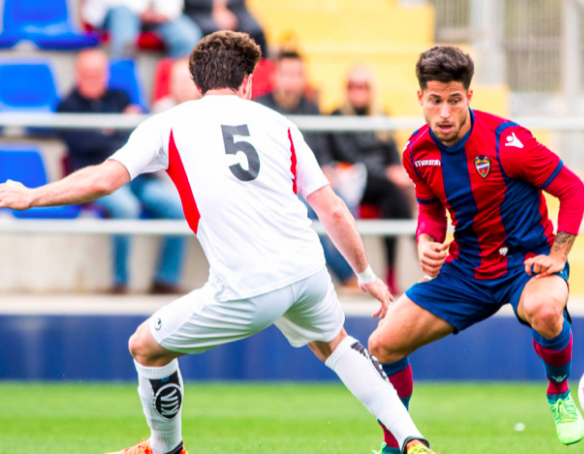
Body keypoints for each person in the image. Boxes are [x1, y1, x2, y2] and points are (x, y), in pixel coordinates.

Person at [0, 32, 438, 454]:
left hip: (246, 287)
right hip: (307, 271)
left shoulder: (169, 124)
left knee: (145, 347)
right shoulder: (279, 125)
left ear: (195, 83)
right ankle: (412, 438)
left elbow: (101, 180)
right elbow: (334, 210)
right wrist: (364, 274)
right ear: (248, 82)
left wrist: (32, 196)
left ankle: (166, 448)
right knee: (337, 345)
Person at [367, 46, 584, 454]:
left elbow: (573, 189)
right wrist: (425, 241)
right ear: (421, 99)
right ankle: (395, 443)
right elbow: (431, 210)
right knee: (382, 344)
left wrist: (558, 256)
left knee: (546, 311)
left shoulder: (510, 142)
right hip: (466, 270)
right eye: (435, 101)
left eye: (454, 100)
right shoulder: (417, 152)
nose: (445, 113)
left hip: (528, 264)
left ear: (469, 97)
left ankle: (558, 393)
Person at [57, 49, 187, 294]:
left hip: (136, 176)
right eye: (88, 74)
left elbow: (139, 138)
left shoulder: (120, 96)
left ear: (106, 74)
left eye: (98, 73)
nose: (93, 79)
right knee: (126, 208)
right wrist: (119, 133)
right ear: (77, 74)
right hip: (98, 179)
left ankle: (165, 279)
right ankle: (120, 281)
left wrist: (109, 132)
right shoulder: (66, 106)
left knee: (179, 209)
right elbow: (83, 144)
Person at [256, 50, 360, 290]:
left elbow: (320, 149)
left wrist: (326, 171)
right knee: (309, 215)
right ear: (275, 76)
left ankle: (350, 275)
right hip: (277, 185)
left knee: (342, 205)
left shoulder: (311, 107)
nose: (291, 80)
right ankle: (347, 278)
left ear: (304, 79)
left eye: (297, 74)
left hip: (306, 182)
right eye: (287, 74)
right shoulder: (259, 108)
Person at [329, 65, 412, 294]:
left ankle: (394, 274)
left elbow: (392, 153)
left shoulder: (381, 115)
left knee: (395, 201)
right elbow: (347, 156)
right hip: (353, 183)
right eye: (352, 85)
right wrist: (389, 174)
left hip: (381, 187)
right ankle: (418, 255)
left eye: (363, 85)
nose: (357, 90)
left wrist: (397, 172)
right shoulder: (336, 116)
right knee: (394, 193)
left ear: (371, 89)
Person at [82, 0, 202, 58]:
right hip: (117, 10)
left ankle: (176, 96)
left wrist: (163, 12)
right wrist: (139, 10)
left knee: (188, 37)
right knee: (125, 40)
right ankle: (123, 95)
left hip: (157, 14)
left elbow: (172, 7)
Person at [184, 0, 268, 57]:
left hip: (235, 7)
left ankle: (258, 78)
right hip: (201, 9)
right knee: (214, 35)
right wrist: (218, 8)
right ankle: (214, 76)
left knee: (256, 32)